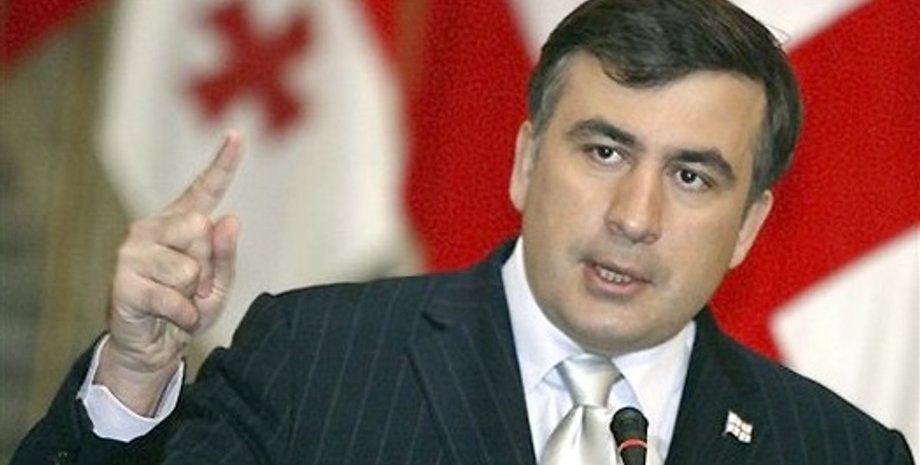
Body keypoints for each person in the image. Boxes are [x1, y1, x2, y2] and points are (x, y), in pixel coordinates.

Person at [13, 0, 915, 464]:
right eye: (604, 151)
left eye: (691, 176)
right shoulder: (314, 360)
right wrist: (134, 376)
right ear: (525, 160)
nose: (635, 217)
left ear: (750, 223)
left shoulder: (839, 453)